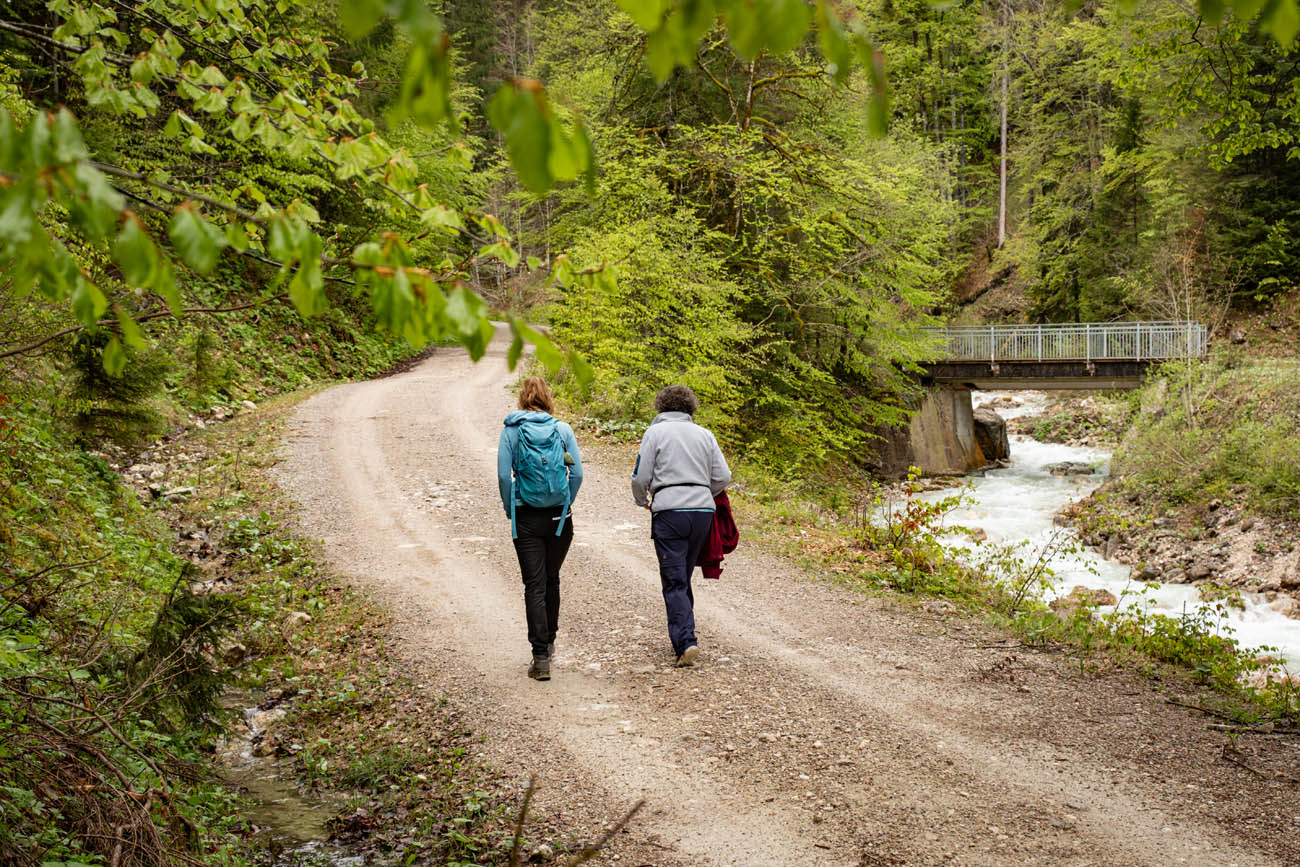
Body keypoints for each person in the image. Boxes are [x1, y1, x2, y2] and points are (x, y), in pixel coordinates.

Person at [631, 385, 731, 666]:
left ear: (661, 407)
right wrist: (702, 491)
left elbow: (640, 477)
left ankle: (686, 642)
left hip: (669, 510)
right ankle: (686, 632)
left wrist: (643, 501)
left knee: (674, 579)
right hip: (702, 512)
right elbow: (723, 475)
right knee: (683, 574)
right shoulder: (704, 435)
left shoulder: (655, 433)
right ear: (690, 408)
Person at [498, 376, 583, 681]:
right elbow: (577, 473)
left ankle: (540, 658)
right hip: (559, 518)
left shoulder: (512, 430)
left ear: (522, 400)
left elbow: (504, 477)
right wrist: (565, 504)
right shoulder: (562, 429)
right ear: (548, 398)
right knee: (551, 578)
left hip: (527, 516)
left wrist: (511, 509)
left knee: (534, 585)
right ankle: (550, 641)